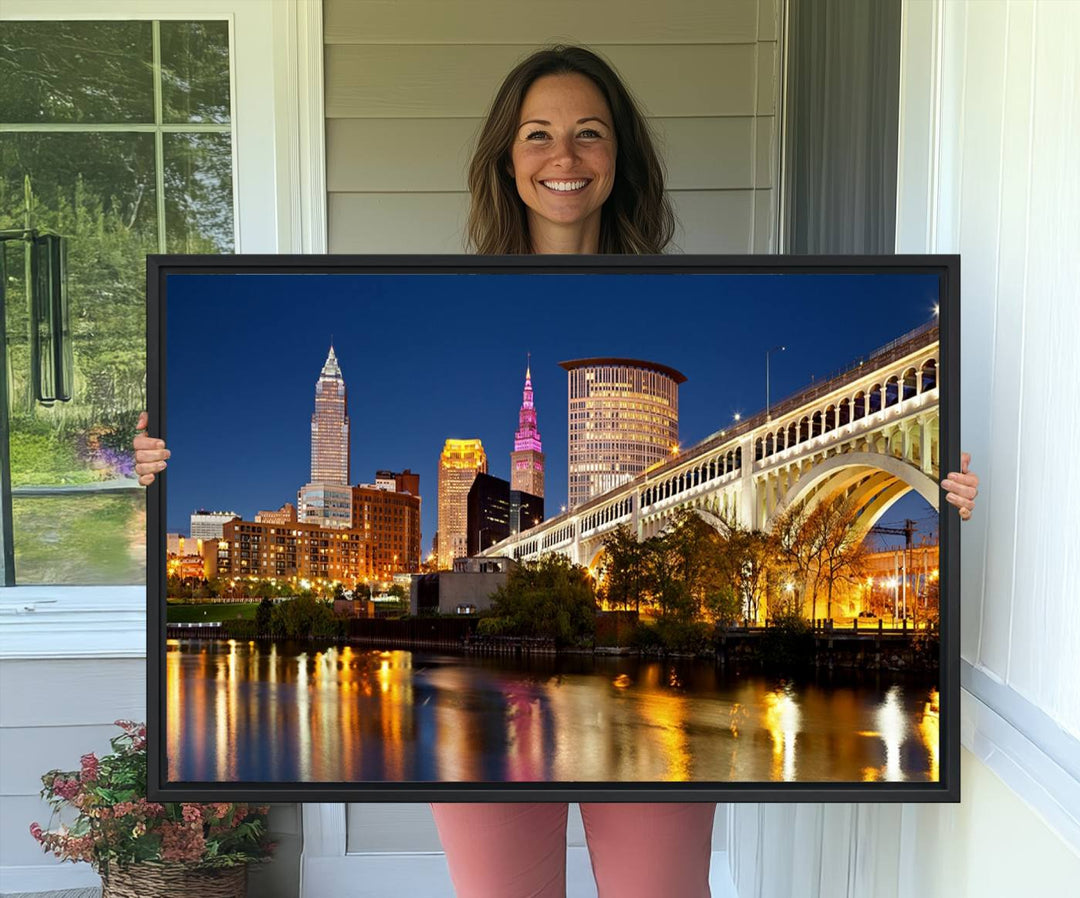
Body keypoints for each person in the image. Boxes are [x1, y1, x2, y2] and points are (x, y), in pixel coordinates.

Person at [133, 45, 979, 898]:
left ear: (620, 158)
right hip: (504, 723)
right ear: (507, 157)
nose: (564, 157)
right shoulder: (455, 288)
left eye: (589, 134)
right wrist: (156, 469)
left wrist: (955, 496)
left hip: (640, 730)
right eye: (538, 134)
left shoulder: (682, 285)